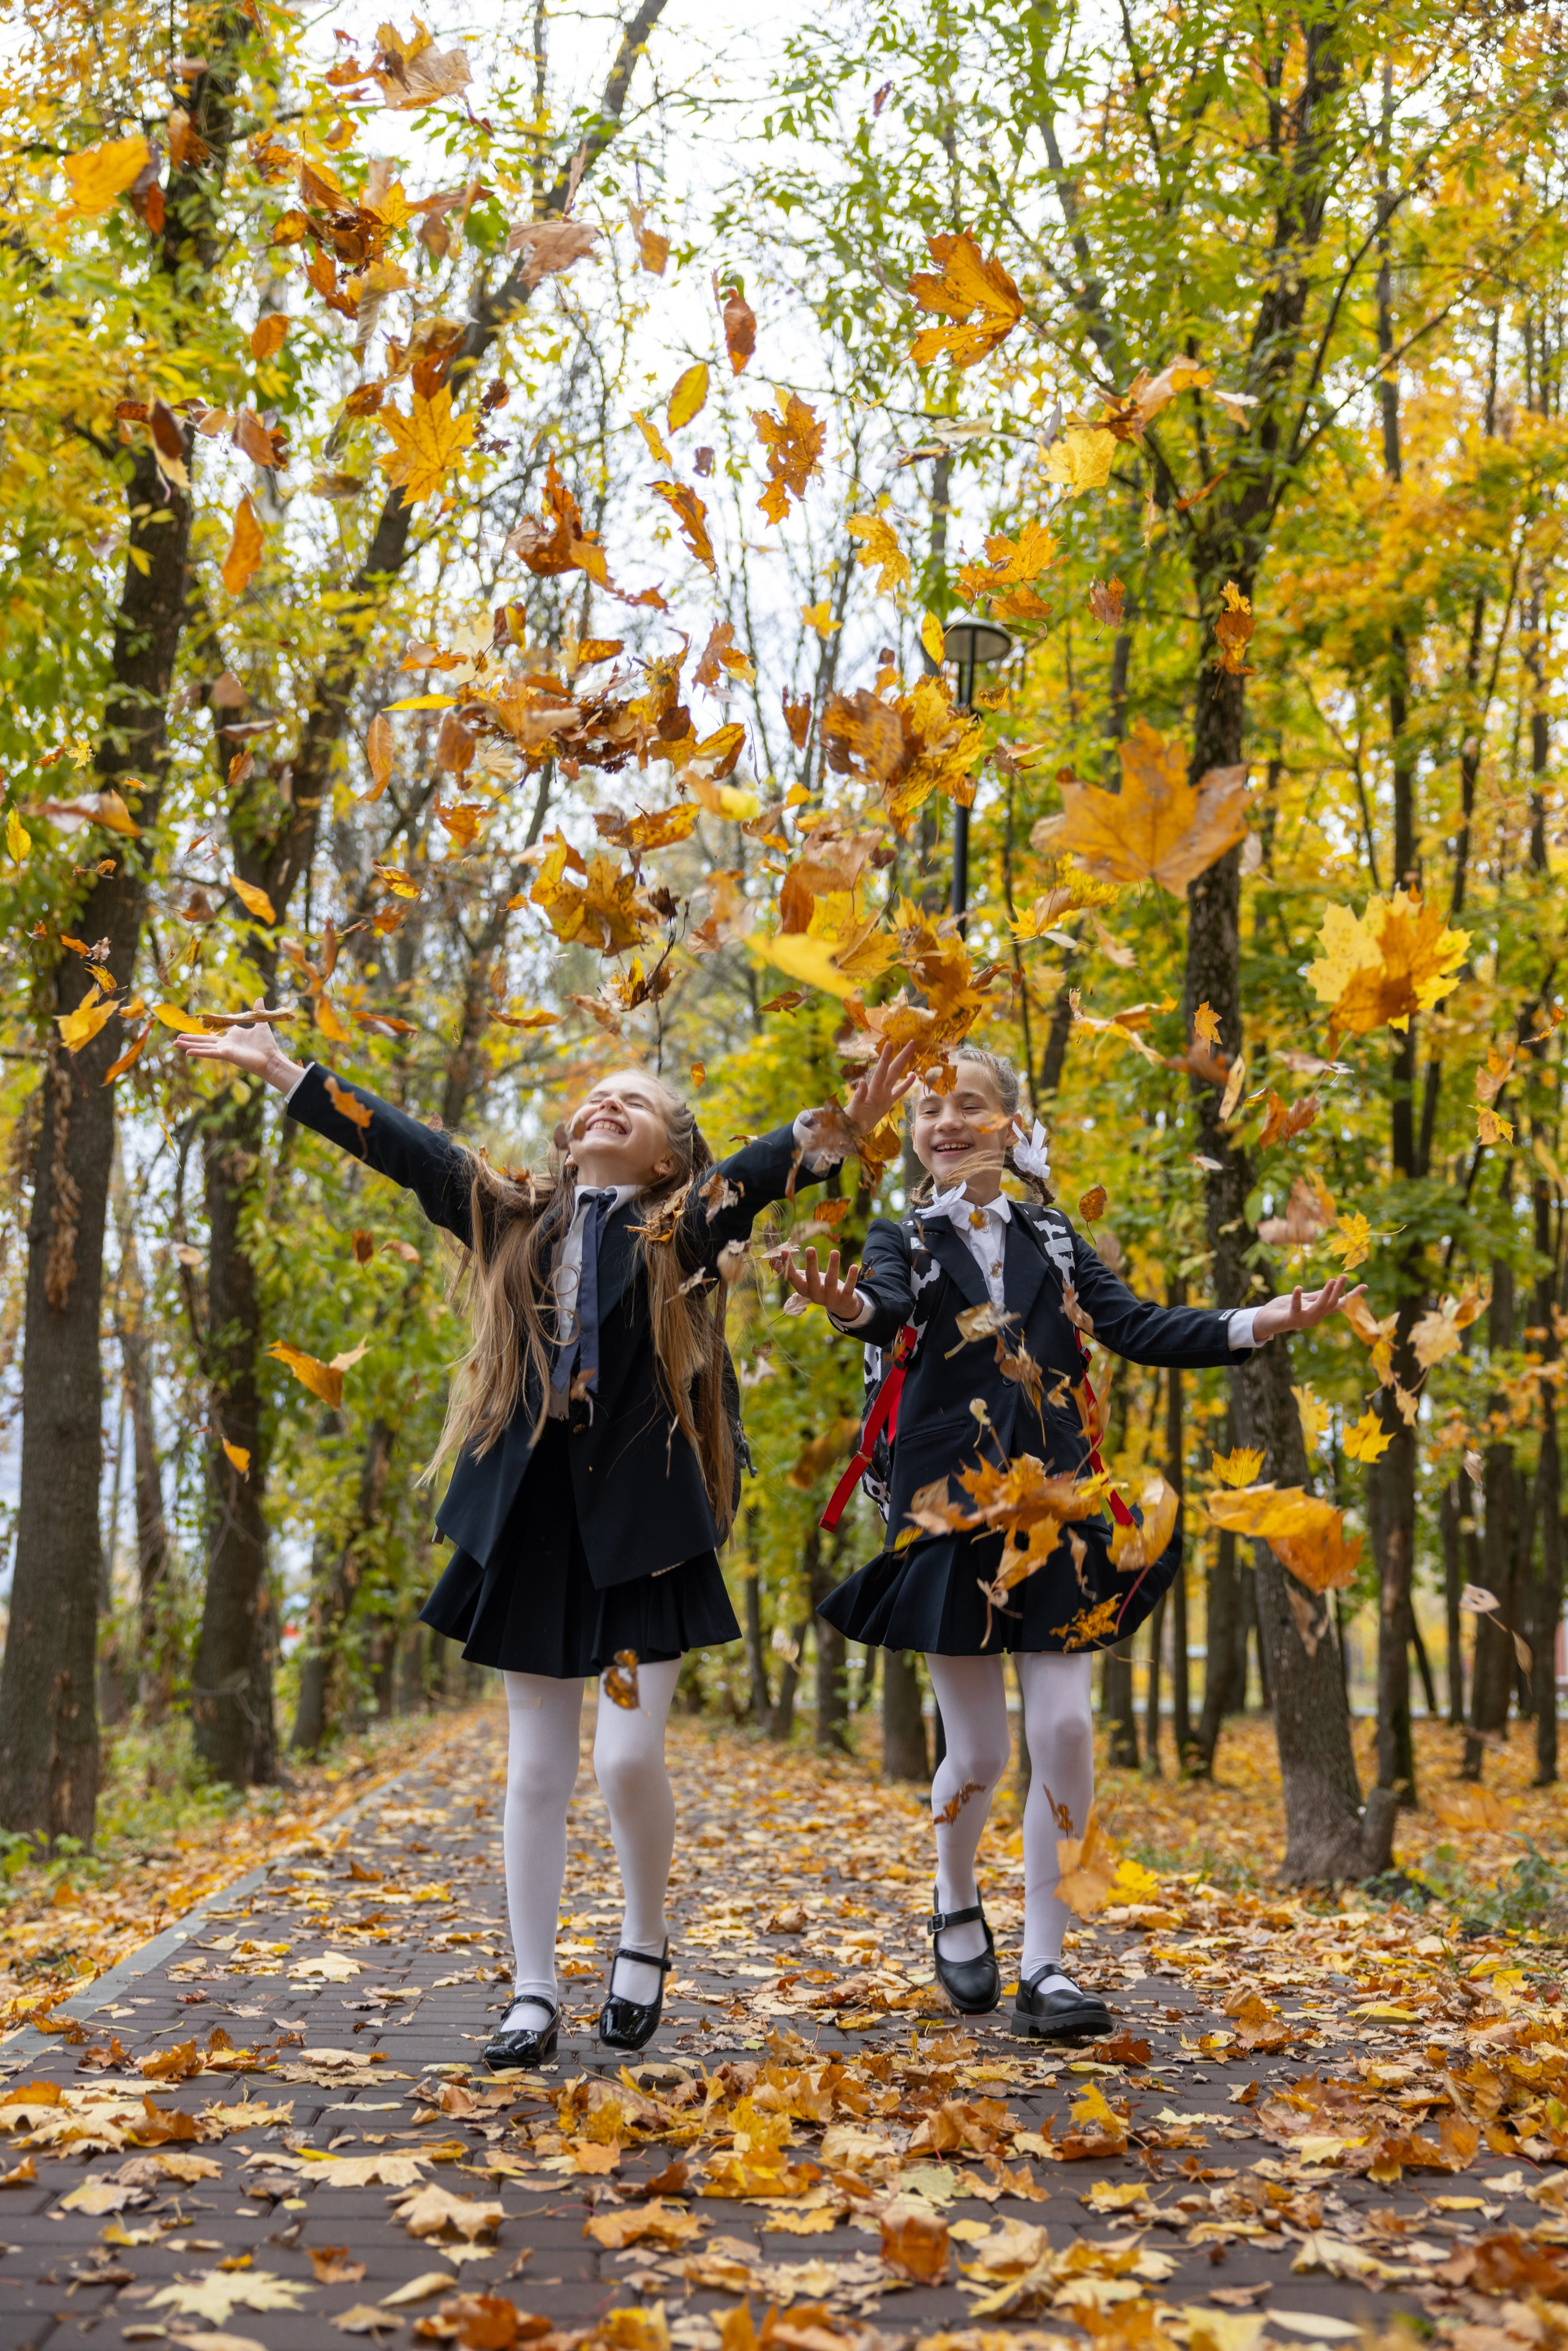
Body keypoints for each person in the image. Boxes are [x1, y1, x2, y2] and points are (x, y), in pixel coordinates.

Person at [179, 1019, 916, 2070]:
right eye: (595, 1097)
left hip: (638, 1545)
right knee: (535, 1771)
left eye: (638, 1102)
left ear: (666, 1156)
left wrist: (845, 1125)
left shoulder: (682, 1230)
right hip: (533, 1538)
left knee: (623, 1757)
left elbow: (756, 1173)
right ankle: (531, 1990)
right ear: (571, 1138)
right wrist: (287, 1071)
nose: (606, 1104)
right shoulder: (514, 1217)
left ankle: (643, 1936)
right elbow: (403, 1145)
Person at [786, 1047, 1362, 2042]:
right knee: (979, 1748)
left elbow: (1138, 1325)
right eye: (929, 1108)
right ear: (916, 1134)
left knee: (1064, 1729)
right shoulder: (904, 1237)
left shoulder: (1053, 1237)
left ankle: (1047, 1965)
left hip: (1060, 1506)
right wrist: (845, 1304)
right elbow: (877, 1306)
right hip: (947, 1511)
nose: (946, 1119)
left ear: (1012, 1125)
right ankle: (954, 1892)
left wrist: (1263, 1318)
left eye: (970, 1103)